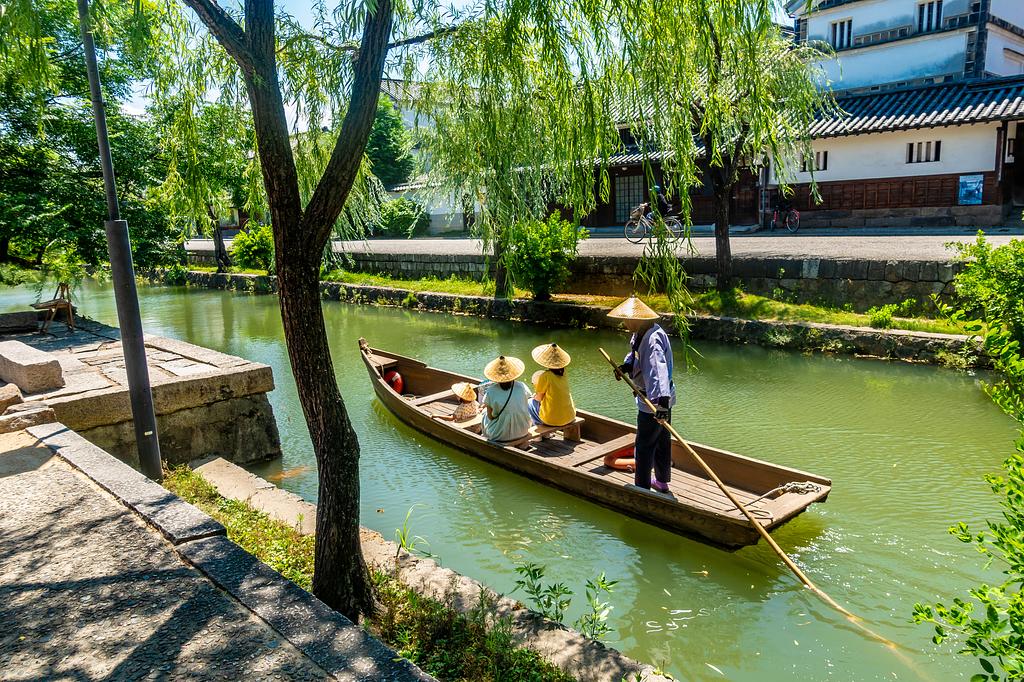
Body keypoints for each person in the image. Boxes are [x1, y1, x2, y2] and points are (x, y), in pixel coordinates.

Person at [608, 296, 676, 493]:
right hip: (659, 399)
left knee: (645, 444)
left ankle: (642, 487)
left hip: (654, 402)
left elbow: (658, 371)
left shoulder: (653, 339)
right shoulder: (641, 333)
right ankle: (661, 482)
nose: (625, 323)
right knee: (662, 440)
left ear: (637, 320)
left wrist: (661, 404)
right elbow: (635, 355)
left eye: (627, 319)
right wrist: (626, 366)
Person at [480, 355, 532, 443]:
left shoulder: (491, 391)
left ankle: (485, 435)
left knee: (484, 413)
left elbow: (490, 416)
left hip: (500, 436)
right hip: (523, 430)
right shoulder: (522, 386)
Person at [528, 343, 576, 428]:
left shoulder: (545, 376)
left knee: (530, 404)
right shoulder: (564, 373)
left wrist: (534, 396)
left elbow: (539, 398)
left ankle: (538, 428)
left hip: (551, 420)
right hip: (570, 416)